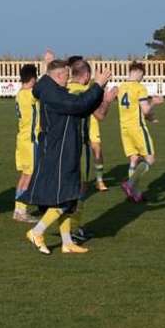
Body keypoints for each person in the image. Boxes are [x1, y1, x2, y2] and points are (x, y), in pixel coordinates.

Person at [22, 59, 115, 254]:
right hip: (59, 151)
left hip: (66, 149)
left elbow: (83, 109)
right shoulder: (52, 94)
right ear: (57, 76)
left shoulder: (55, 91)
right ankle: (37, 231)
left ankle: (67, 243)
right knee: (64, 198)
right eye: (66, 74)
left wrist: (100, 94)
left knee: (69, 197)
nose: (69, 77)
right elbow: (78, 105)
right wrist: (97, 85)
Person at [66, 58, 116, 242]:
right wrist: (107, 99)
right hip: (80, 148)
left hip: (63, 147)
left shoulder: (63, 90)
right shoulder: (85, 93)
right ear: (86, 75)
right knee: (80, 189)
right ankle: (72, 228)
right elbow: (100, 114)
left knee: (67, 189)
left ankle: (67, 229)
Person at [117, 61, 164, 203]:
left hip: (124, 128)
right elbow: (144, 109)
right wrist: (155, 102)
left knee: (134, 159)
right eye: (142, 75)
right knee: (150, 159)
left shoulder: (122, 87)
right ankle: (130, 184)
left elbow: (135, 109)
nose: (142, 78)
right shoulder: (139, 88)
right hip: (137, 128)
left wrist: (151, 118)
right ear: (137, 72)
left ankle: (134, 193)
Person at [12, 64, 39, 223]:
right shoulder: (31, 94)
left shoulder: (19, 94)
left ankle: (18, 208)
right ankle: (21, 211)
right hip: (31, 140)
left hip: (22, 139)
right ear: (33, 78)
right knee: (29, 175)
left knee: (25, 174)